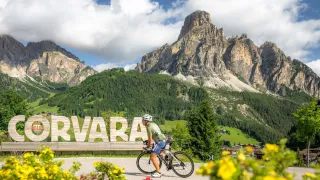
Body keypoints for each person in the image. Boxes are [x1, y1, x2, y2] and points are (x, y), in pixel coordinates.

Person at [142, 114, 166, 178]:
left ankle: (158, 173)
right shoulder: (153, 124)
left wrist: (147, 147)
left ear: (146, 121)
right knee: (160, 154)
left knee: (152, 156)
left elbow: (150, 139)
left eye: (143, 120)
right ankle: (168, 161)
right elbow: (155, 134)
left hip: (160, 142)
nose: (142, 121)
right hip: (163, 140)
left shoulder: (148, 127)